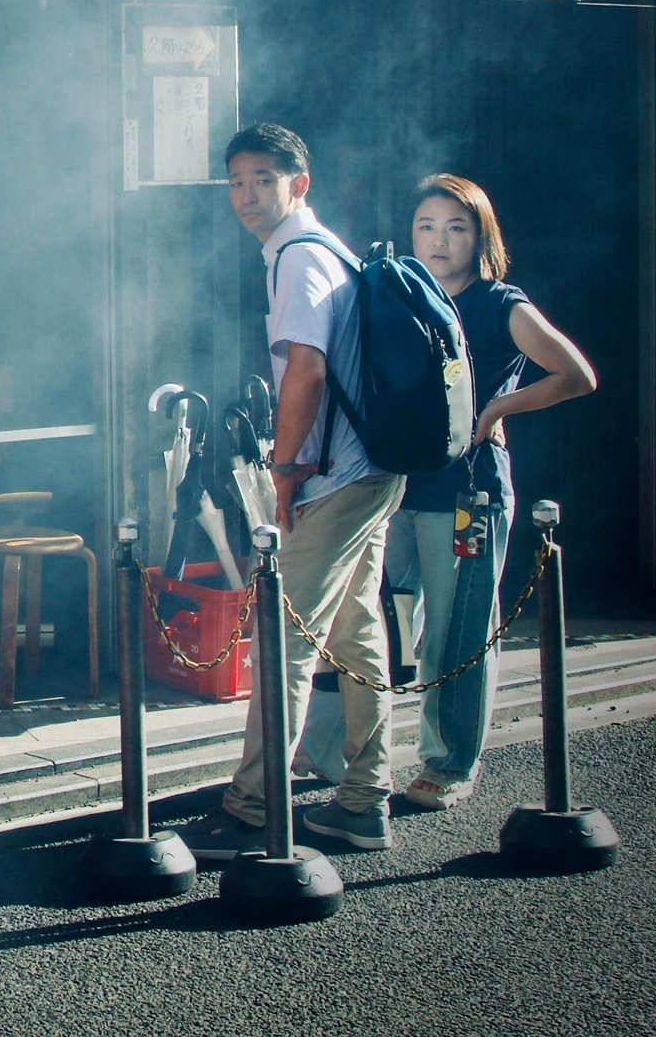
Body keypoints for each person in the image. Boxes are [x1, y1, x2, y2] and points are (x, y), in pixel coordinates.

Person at [181, 122, 407, 860]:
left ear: (298, 185)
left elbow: (304, 371)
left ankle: (251, 808)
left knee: (284, 636)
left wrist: (282, 472)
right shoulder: (328, 249)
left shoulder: (298, 260)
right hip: (370, 467)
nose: (246, 196)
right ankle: (363, 800)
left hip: (333, 476)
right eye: (237, 181)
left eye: (263, 180)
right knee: (354, 634)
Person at [394, 174, 596, 808]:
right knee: (390, 622)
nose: (438, 240)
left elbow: (576, 374)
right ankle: (349, 754)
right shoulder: (398, 294)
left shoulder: (499, 302)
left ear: (480, 236)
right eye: (426, 226)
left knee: (459, 629)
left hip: (469, 491)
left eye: (456, 228)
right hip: (394, 486)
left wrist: (499, 407)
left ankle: (450, 761)